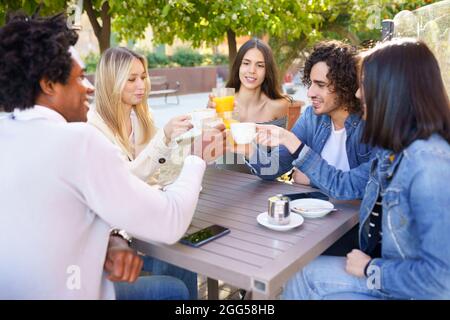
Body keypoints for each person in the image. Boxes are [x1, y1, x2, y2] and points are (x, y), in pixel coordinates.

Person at [0, 12, 226, 299]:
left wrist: (111, 241)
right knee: (175, 289)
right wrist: (198, 157)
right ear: (48, 84)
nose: (90, 87)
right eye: (80, 77)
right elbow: (170, 222)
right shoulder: (79, 140)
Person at [257, 38, 450, 299]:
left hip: (391, 279)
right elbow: (282, 163)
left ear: (395, 90)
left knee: (294, 271)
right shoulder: (393, 148)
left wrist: (371, 268)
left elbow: (442, 282)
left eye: (366, 85)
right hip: (374, 259)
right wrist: (244, 149)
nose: (360, 94)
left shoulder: (429, 166)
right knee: (297, 274)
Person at [88, 47, 198, 299]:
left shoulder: (140, 118)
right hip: (108, 244)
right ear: (112, 82)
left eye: (143, 76)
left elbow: (159, 173)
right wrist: (164, 138)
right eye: (132, 79)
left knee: (184, 257)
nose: (142, 85)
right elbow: (123, 182)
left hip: (138, 226)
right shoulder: (93, 128)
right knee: (176, 281)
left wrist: (190, 147)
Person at [246, 40, 372, 186]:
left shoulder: (369, 123)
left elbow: (364, 185)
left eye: (321, 85)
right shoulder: (311, 118)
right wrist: (247, 149)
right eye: (311, 83)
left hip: (354, 209)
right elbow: (273, 167)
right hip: (312, 207)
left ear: (345, 85)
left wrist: (312, 179)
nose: (310, 93)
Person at [209, 38, 297, 173]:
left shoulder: (278, 106)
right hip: (221, 183)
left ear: (267, 70)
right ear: (238, 66)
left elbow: (280, 160)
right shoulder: (221, 102)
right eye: (246, 63)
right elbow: (207, 153)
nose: (252, 70)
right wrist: (210, 121)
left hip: (260, 186)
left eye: (260, 65)